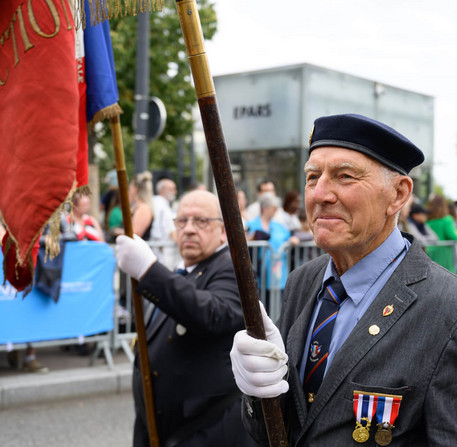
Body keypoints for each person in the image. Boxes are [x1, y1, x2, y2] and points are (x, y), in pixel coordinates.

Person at [230, 113, 457, 446]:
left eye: (345, 176)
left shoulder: (447, 308)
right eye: (312, 177)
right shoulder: (303, 281)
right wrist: (258, 394)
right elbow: (280, 432)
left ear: (398, 194)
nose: (320, 194)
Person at [115, 190, 255, 447]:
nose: (189, 229)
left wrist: (148, 270)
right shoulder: (181, 273)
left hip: (205, 428)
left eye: (201, 221)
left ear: (223, 231)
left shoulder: (232, 268)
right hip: (163, 427)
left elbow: (212, 313)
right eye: (182, 221)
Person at [247, 193, 299, 312]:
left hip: (276, 274)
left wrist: (294, 239)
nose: (276, 210)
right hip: (257, 274)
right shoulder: (251, 225)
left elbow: (290, 236)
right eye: (274, 208)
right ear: (265, 208)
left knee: (276, 308)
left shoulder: (279, 226)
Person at [150, 178, 179, 269]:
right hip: (162, 253)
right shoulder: (162, 206)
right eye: (171, 189)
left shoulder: (155, 202)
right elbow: (172, 231)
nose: (175, 192)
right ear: (162, 190)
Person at [426, 194, 457, 272]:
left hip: (431, 253)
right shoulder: (447, 220)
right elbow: (452, 235)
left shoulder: (428, 221)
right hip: (445, 257)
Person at [129, 171, 155, 241]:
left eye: (129, 188)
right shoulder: (138, 207)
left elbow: (135, 233)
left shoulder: (143, 208)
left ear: (135, 189)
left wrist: (117, 231)